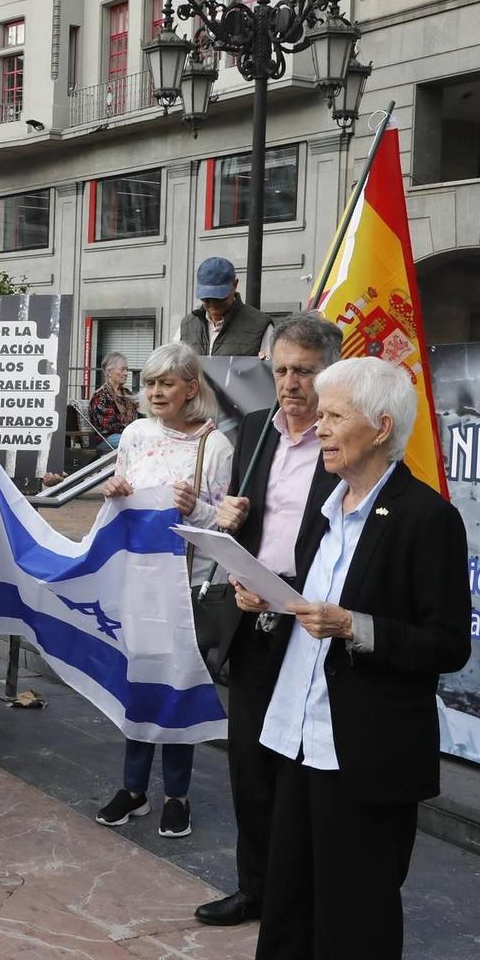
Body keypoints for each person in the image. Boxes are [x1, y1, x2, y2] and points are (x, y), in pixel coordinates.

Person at [215, 357, 472, 960]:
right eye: (319, 413)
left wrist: (357, 627)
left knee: (357, 911)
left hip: (364, 747)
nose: (316, 426)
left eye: (332, 415)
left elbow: (446, 642)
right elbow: (311, 607)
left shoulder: (427, 518)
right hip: (298, 727)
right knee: (289, 886)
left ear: (381, 426)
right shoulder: (333, 502)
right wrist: (268, 600)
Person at [195, 312, 342, 928]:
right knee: (250, 763)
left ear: (330, 372)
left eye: (304, 372)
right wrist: (228, 524)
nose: (290, 383)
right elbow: (248, 522)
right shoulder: (257, 430)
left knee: (299, 768)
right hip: (253, 610)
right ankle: (253, 886)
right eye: (280, 369)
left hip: (313, 618)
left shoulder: (342, 442)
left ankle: (298, 892)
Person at [94, 341, 232, 841]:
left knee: (178, 685)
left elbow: (225, 525)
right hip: (138, 579)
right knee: (141, 682)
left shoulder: (214, 446)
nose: (154, 391)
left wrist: (195, 507)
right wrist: (112, 492)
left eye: (165, 383)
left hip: (187, 587)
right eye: (149, 382)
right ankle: (133, 788)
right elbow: (121, 495)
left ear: (191, 388)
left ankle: (177, 794)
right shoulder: (133, 434)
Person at [178, 256, 273, 357]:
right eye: (207, 299)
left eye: (219, 298)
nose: (213, 305)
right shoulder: (187, 325)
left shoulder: (260, 325)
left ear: (235, 285)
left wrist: (265, 360)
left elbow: (275, 365)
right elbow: (173, 364)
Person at [87, 351, 138, 451]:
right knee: (136, 441)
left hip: (127, 435)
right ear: (109, 372)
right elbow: (107, 426)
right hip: (105, 439)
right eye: (123, 369)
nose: (126, 373)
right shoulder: (101, 395)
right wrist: (134, 430)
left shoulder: (127, 393)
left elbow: (139, 413)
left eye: (127, 370)